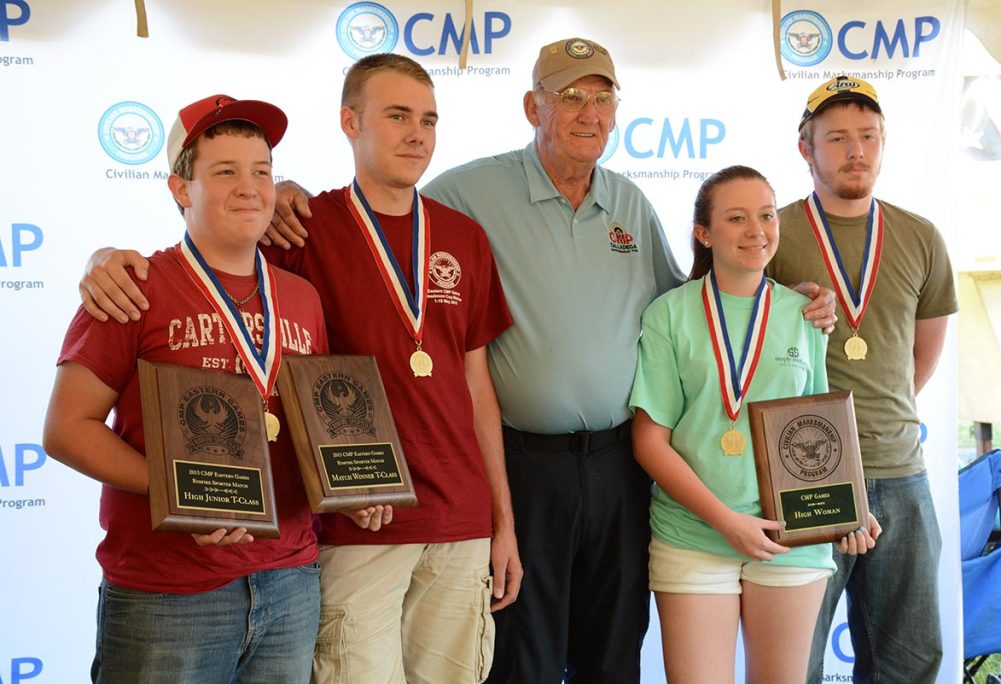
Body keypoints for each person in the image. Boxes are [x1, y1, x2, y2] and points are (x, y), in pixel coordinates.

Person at [79, 40, 834, 683]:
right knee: (522, 661)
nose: (588, 114)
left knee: (610, 652)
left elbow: (691, 305)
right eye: (569, 97)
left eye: (603, 98)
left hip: (596, 474)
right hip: (457, 485)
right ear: (534, 107)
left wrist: (786, 295)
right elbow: (240, 238)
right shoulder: (458, 196)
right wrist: (113, 255)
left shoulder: (618, 205)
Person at [76, 54, 519, 684]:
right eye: (397, 115)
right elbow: (210, 252)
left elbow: (475, 387)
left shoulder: (461, 238)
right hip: (328, 542)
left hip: (415, 532)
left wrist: (503, 522)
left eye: (428, 119)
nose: (416, 133)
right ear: (349, 122)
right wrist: (101, 257)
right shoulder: (298, 230)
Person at [43, 94, 329, 682]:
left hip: (291, 579)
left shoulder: (300, 297)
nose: (249, 188)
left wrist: (354, 482)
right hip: (168, 591)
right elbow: (66, 430)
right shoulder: (130, 287)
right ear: (180, 188)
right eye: (225, 171)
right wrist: (179, 492)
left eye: (261, 171)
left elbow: (312, 424)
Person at [630, 165, 879, 684]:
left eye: (766, 216)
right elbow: (651, 443)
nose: (756, 231)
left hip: (792, 539)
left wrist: (849, 507)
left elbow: (819, 431)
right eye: (736, 218)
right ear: (704, 233)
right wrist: (727, 521)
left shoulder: (806, 314)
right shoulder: (668, 316)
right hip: (693, 534)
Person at [764, 75, 959, 683]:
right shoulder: (771, 232)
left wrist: (875, 429)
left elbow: (919, 362)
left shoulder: (921, 235)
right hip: (804, 473)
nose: (856, 151)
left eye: (869, 137)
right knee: (797, 660)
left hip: (902, 474)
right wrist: (783, 307)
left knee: (909, 659)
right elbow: (738, 340)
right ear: (806, 149)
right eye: (838, 138)